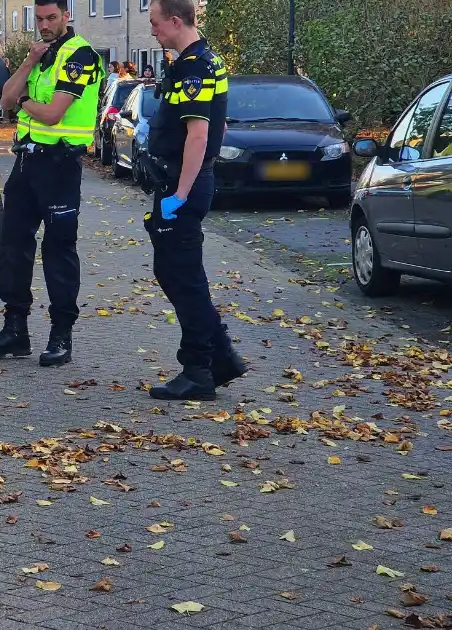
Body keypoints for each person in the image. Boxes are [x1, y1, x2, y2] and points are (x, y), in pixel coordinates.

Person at [0, 0, 102, 368]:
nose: (44, 24)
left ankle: (61, 334)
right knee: (12, 245)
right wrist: (29, 63)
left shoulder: (80, 57)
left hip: (60, 165)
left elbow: (52, 112)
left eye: (51, 17)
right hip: (27, 162)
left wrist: (25, 98)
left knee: (59, 250)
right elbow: (5, 98)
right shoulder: (41, 56)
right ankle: (15, 330)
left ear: (66, 15)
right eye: (39, 18)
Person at [142, 0, 247, 401]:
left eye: (154, 23)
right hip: (182, 181)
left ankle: (199, 369)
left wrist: (180, 195)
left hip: (182, 184)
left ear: (174, 20)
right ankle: (219, 357)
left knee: (181, 277)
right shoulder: (203, 59)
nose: (152, 30)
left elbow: (199, 135)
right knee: (181, 275)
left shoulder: (192, 67)